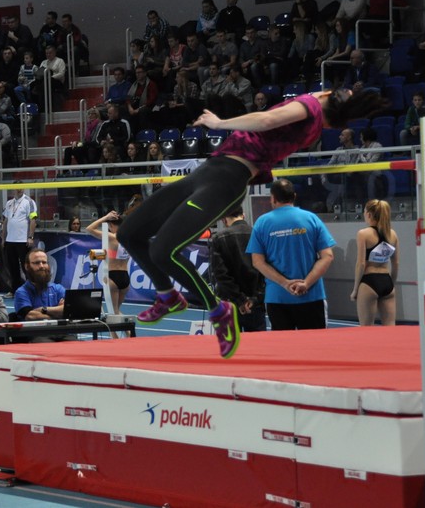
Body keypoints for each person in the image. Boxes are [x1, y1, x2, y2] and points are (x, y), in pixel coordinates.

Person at [117, 88, 379, 358]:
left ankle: (219, 310)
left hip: (227, 180)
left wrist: (219, 123)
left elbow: (266, 120)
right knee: (128, 233)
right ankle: (168, 294)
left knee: (163, 250)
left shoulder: (310, 107)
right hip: (209, 171)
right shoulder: (315, 122)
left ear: (327, 95)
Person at [247, 179, 336, 331]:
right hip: (311, 296)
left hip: (278, 298)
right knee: (315, 344)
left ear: (272, 198)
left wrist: (285, 283)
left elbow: (257, 262)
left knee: (283, 345)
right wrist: (306, 283)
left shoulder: (262, 223)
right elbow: (327, 256)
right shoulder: (311, 218)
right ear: (294, 196)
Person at [209, 206, 267, 332]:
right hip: (255, 304)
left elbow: (220, 275)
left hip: (228, 303)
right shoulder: (259, 235)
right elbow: (266, 271)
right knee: (258, 343)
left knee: (232, 343)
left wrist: (240, 300)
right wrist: (255, 299)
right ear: (243, 215)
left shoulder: (218, 238)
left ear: (224, 219)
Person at [85, 203, 138, 324]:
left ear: (111, 225)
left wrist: (105, 217)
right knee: (116, 312)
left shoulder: (112, 237)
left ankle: (128, 331)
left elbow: (89, 229)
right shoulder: (129, 238)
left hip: (113, 277)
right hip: (125, 278)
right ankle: (126, 332)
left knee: (114, 314)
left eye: (109, 226)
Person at [351, 199, 399, 326]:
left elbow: (361, 264)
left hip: (369, 282)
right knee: (390, 327)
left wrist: (355, 289)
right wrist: (392, 284)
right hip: (387, 281)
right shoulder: (393, 234)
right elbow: (396, 263)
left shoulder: (363, 234)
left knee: (366, 328)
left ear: (369, 214)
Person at [12, 249, 74, 343]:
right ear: (27, 266)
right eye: (37, 263)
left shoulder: (58, 288)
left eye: (44, 262)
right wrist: (57, 315)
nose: (41, 266)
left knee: (77, 346)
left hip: (62, 332)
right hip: (37, 334)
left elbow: (68, 310)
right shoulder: (22, 292)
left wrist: (43, 309)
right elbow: (30, 315)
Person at [2, 187, 37, 295]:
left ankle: (31, 290)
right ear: (13, 190)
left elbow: (33, 220)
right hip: (10, 240)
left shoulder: (29, 201)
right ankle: (15, 290)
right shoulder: (9, 203)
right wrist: (3, 238)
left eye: (21, 188)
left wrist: (30, 237)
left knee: (26, 267)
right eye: (17, 188)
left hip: (22, 241)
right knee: (13, 267)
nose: (19, 190)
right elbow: (5, 221)